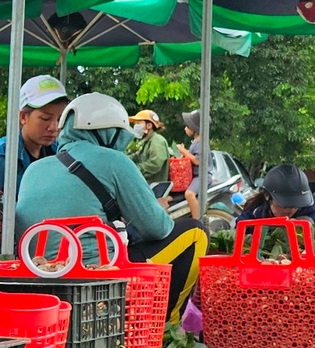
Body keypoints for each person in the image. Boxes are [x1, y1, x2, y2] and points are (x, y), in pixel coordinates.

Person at [15, 92, 208, 320]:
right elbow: (157, 228)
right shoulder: (114, 161)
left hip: (39, 275)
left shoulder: (34, 169)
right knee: (196, 231)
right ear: (107, 132)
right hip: (96, 273)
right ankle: (169, 326)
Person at [0, 75, 68, 191]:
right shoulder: (3, 155)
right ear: (23, 117)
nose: (54, 127)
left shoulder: (58, 153)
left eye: (60, 119)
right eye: (45, 118)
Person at [235, 163, 315, 223]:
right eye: (286, 206)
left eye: (296, 206)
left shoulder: (305, 209)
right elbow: (238, 232)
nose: (291, 210)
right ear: (267, 195)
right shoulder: (253, 213)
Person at [128, 109, 173, 187]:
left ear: (149, 125)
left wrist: (134, 170)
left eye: (138, 123)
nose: (135, 126)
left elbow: (155, 164)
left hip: (154, 188)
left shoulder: (157, 141)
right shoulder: (146, 141)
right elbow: (136, 156)